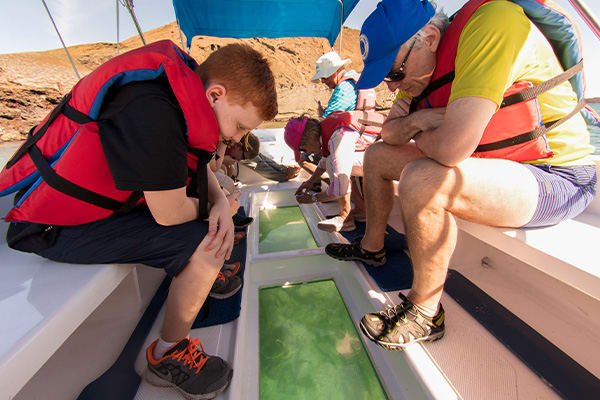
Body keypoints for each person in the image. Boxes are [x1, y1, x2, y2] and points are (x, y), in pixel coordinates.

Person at [0, 40, 277, 398]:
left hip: (92, 211)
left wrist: (219, 203)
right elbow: (169, 213)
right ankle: (166, 355)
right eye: (240, 126)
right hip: (50, 228)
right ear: (214, 95)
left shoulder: (173, 96)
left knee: (215, 218)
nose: (238, 138)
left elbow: (193, 162)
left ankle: (203, 277)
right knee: (206, 241)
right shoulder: (154, 112)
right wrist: (216, 208)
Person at [325, 0, 597, 350]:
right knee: (377, 157)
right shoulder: (419, 72)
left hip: (555, 176)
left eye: (393, 74)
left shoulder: (491, 25)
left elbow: (452, 149)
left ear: (430, 38)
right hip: (495, 166)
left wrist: (430, 135)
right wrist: (419, 121)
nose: (392, 88)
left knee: (424, 180)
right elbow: (389, 135)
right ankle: (372, 248)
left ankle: (425, 313)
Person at [284, 109, 385, 232]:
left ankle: (345, 218)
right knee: (333, 161)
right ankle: (361, 211)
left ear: (308, 139)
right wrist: (310, 181)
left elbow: (339, 190)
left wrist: (313, 199)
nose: (307, 153)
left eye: (302, 149)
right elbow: (324, 160)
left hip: (395, 154)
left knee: (335, 164)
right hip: (382, 147)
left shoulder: (339, 136)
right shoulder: (327, 126)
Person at [311, 51, 377, 118]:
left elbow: (325, 121)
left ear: (335, 71)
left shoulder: (343, 89)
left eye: (324, 77)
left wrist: (320, 114)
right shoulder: (359, 79)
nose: (322, 81)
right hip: (366, 124)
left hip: (354, 128)